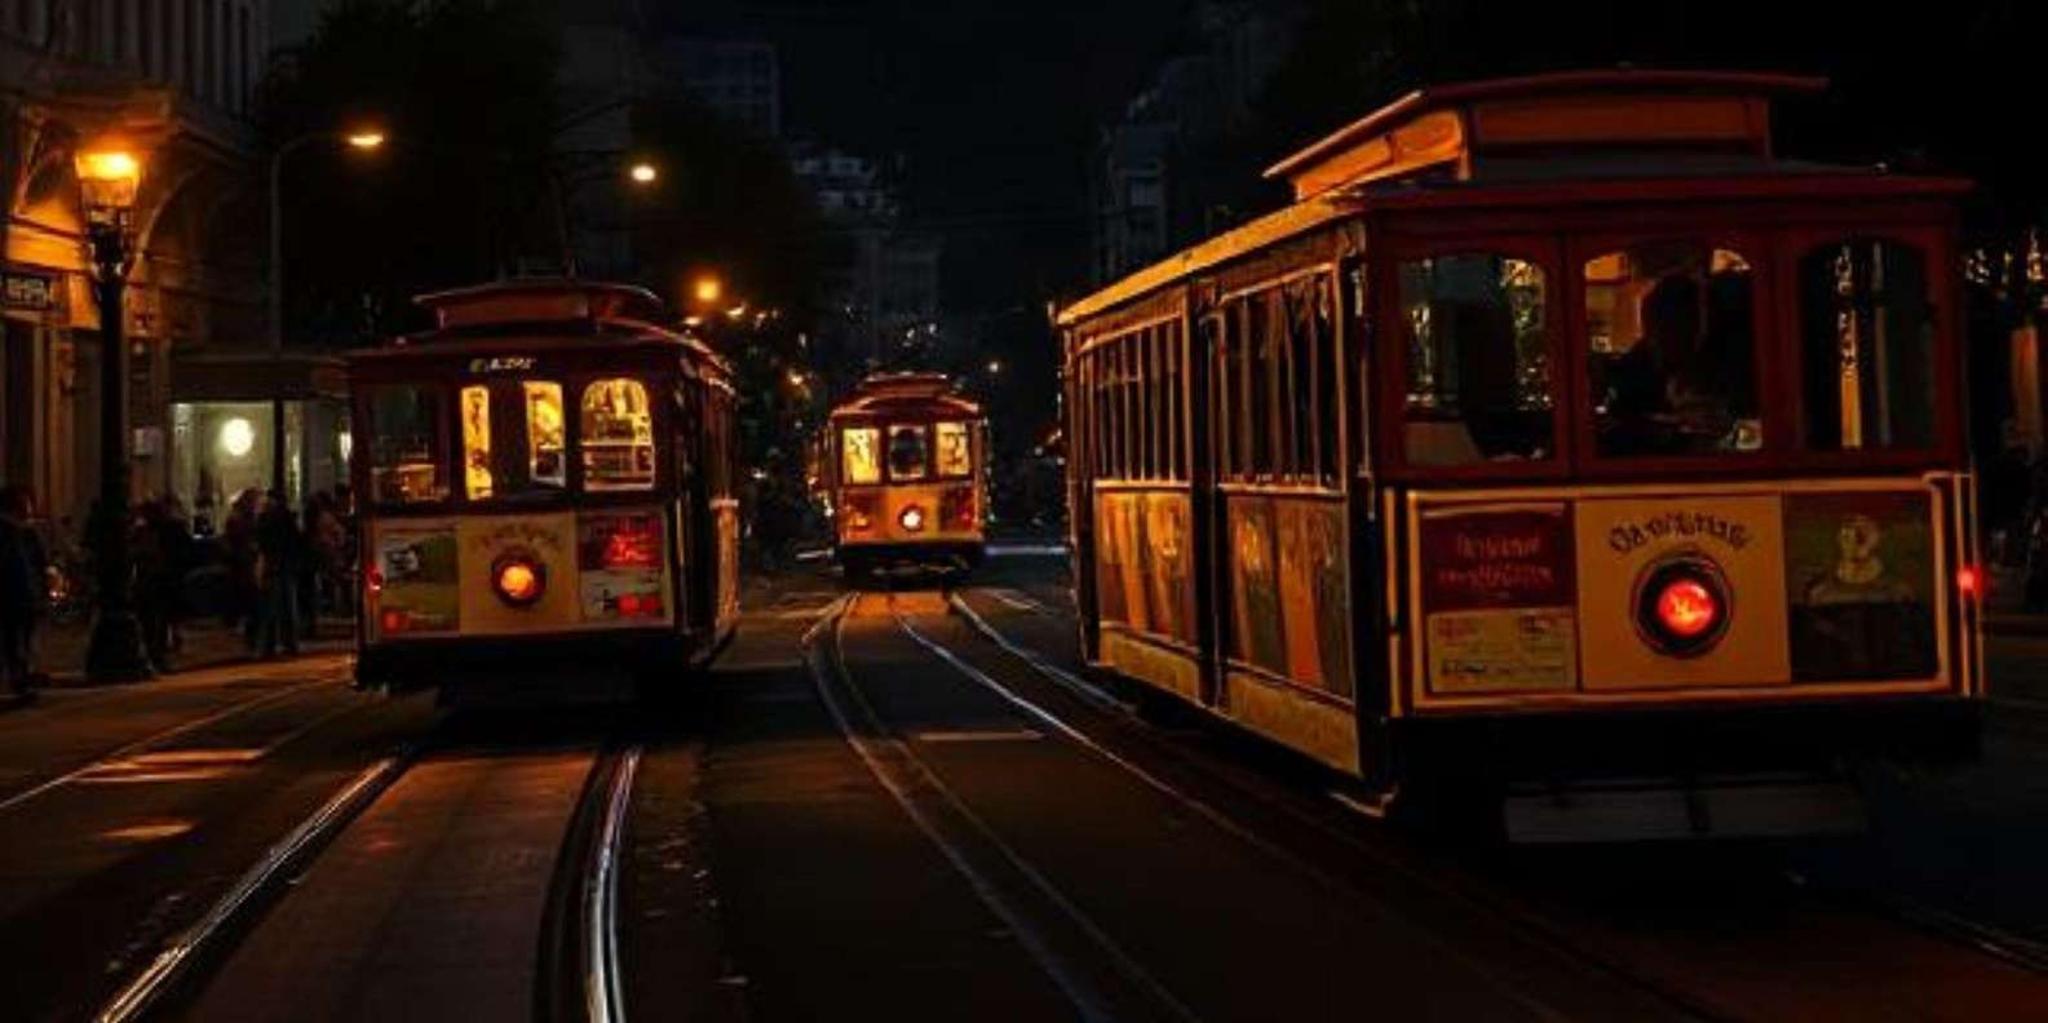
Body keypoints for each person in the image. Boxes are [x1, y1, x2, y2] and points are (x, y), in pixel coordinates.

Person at [0, 487, 50, 697]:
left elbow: (37, 562)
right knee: (14, 639)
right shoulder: (12, 533)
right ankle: (19, 678)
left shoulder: (24, 532)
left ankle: (21, 676)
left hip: (22, 594)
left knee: (19, 638)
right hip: (14, 593)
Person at [254, 490, 302, 657]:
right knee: (286, 607)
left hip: (274, 566)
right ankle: (289, 643)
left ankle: (270, 644)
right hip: (284, 566)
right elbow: (295, 541)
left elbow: (262, 542)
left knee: (270, 607)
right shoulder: (286, 518)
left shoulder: (266, 519)